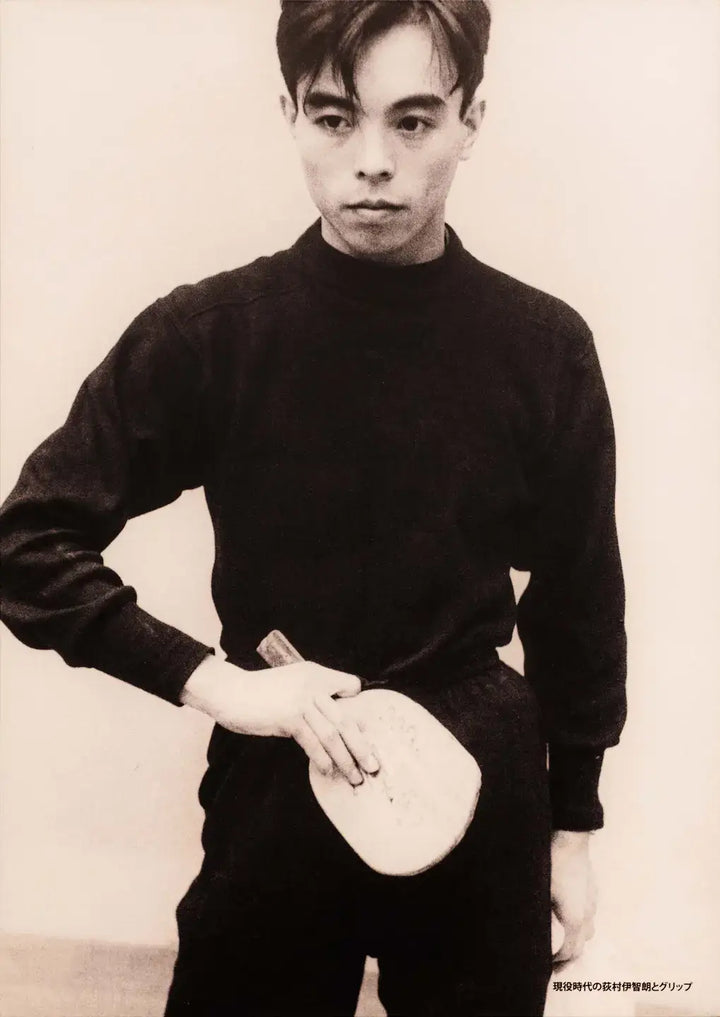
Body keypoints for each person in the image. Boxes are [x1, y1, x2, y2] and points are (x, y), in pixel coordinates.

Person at [0, 1, 626, 1014]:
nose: (372, 162)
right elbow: (28, 544)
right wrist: (221, 686)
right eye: (335, 117)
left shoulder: (543, 347)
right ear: (290, 113)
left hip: (481, 788)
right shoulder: (213, 335)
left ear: (471, 120)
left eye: (413, 120)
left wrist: (573, 828)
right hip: (277, 784)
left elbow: (580, 598)